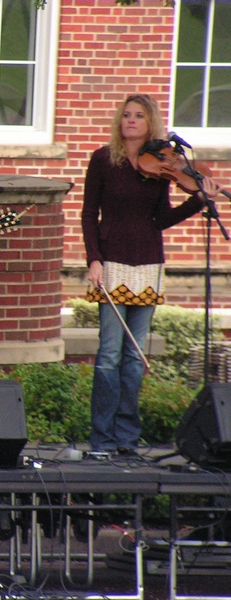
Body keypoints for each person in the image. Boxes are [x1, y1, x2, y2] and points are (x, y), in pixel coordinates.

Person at [81, 93, 222, 455]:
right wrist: (93, 259)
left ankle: (127, 438)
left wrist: (197, 201)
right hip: (111, 263)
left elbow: (161, 219)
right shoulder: (102, 159)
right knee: (109, 354)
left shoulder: (161, 164)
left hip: (147, 263)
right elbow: (89, 214)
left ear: (150, 124)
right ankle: (102, 438)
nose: (130, 120)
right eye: (126, 114)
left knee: (134, 357)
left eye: (139, 116)